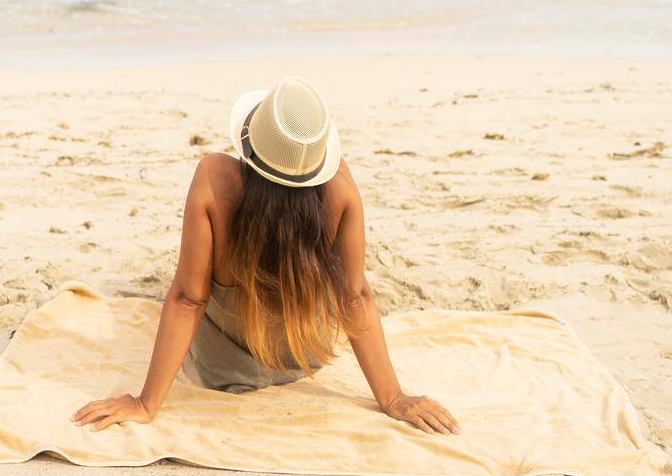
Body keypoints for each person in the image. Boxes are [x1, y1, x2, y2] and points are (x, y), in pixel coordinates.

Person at [73, 76, 460, 437]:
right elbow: (354, 296)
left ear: (251, 139)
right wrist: (392, 398)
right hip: (306, 357)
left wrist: (146, 403)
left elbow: (189, 298)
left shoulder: (213, 176)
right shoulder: (340, 186)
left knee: (189, 284)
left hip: (225, 370)